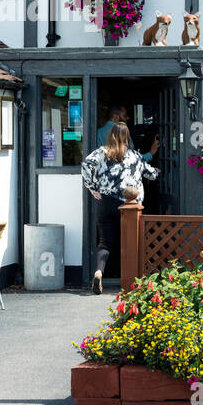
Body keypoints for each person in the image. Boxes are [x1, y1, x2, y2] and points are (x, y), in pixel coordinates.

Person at [81, 121, 157, 295]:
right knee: (129, 243)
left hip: (105, 201)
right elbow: (151, 175)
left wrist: (92, 186)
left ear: (111, 135)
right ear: (127, 137)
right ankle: (130, 283)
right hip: (128, 205)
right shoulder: (135, 156)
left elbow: (86, 164)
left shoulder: (102, 152)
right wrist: (157, 171)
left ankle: (99, 273)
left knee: (105, 242)